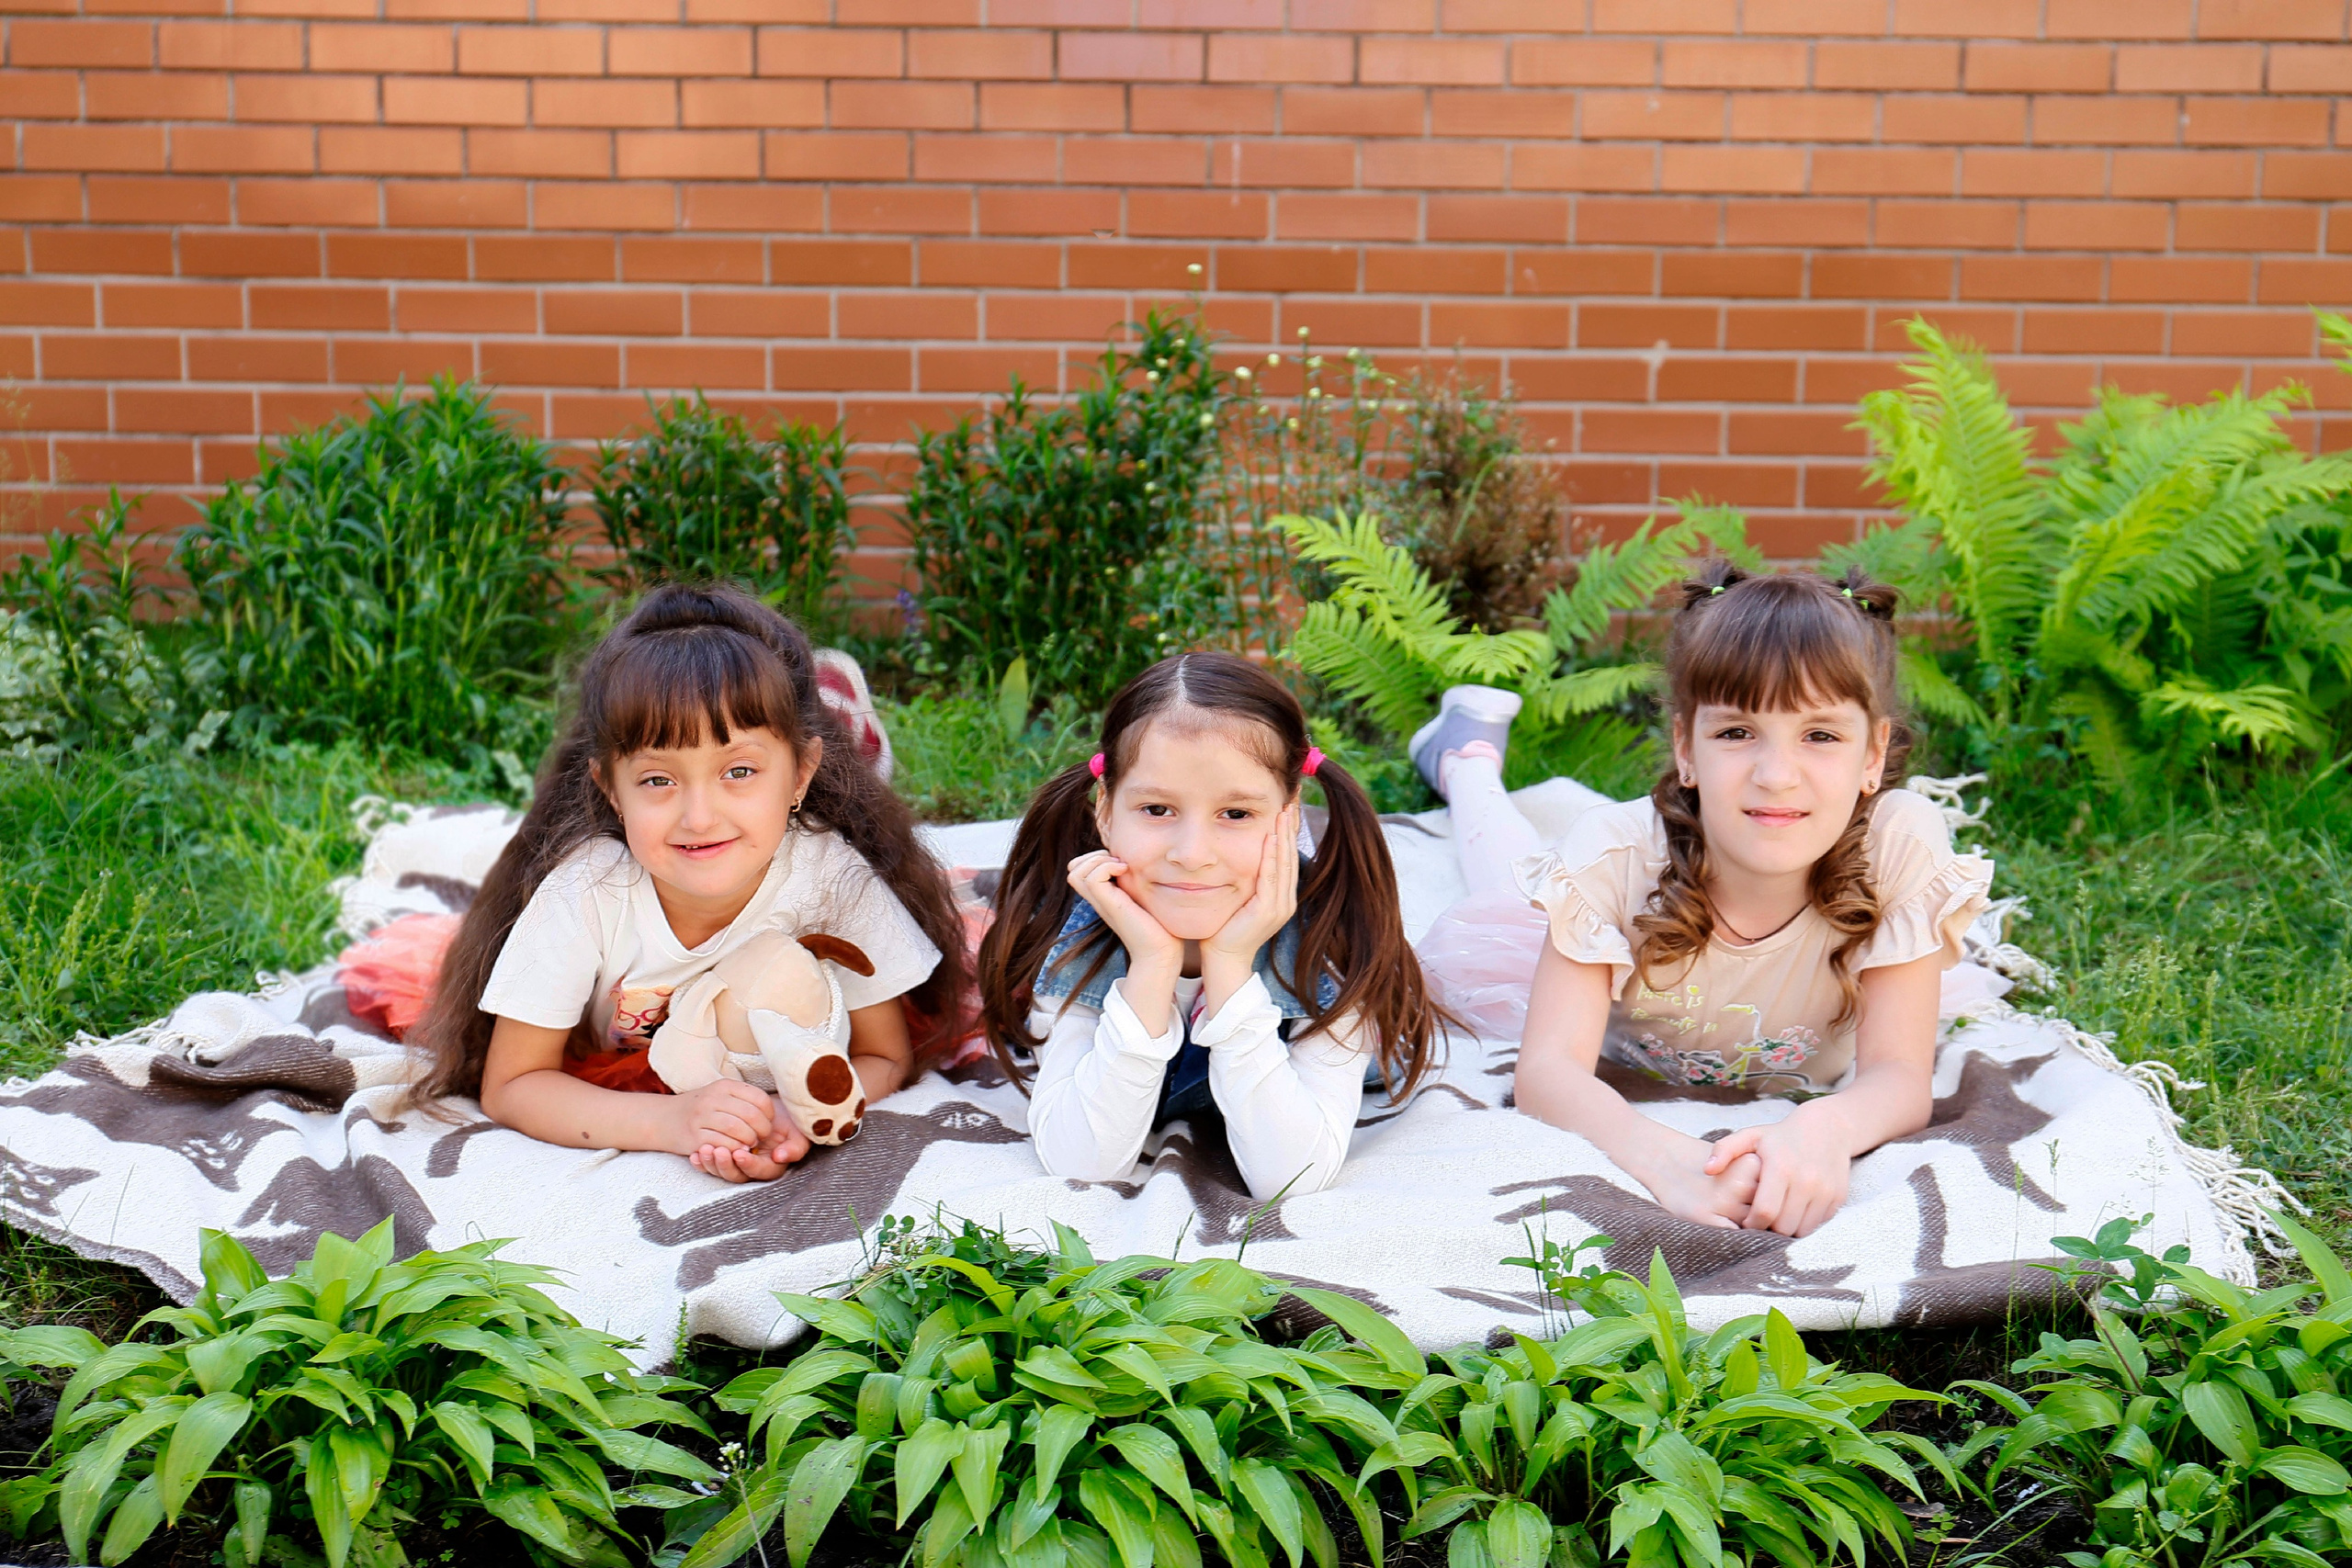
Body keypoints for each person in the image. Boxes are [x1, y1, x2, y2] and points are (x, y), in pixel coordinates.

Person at [1409, 564, 1991, 1237]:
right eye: (1737, 733)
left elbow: (1897, 1073)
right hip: (1625, 950)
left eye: (1821, 735)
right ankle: (1467, 761)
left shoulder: (1898, 845)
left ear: (1873, 753)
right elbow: (1546, 1071)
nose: (1776, 776)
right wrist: (1668, 1158)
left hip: (1707, 838)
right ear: (1686, 746)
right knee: (1504, 877)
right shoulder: (1615, 862)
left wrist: (1823, 1127)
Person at [409, 583, 967, 1183]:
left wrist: (795, 1113)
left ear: (802, 772)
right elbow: (513, 1084)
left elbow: (884, 1054)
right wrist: (674, 1121)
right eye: (657, 780)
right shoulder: (585, 893)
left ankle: (845, 728)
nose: (699, 816)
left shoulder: (832, 878)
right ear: (609, 788)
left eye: (740, 770)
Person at [978, 650, 1445, 1201]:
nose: (1192, 854)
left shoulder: (1335, 943)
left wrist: (1228, 967)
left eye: (1236, 814)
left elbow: (1290, 1175)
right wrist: (1152, 967)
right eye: (1156, 810)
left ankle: (1460, 759)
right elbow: (1083, 1162)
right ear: (1104, 809)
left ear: (1289, 815)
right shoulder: (1075, 935)